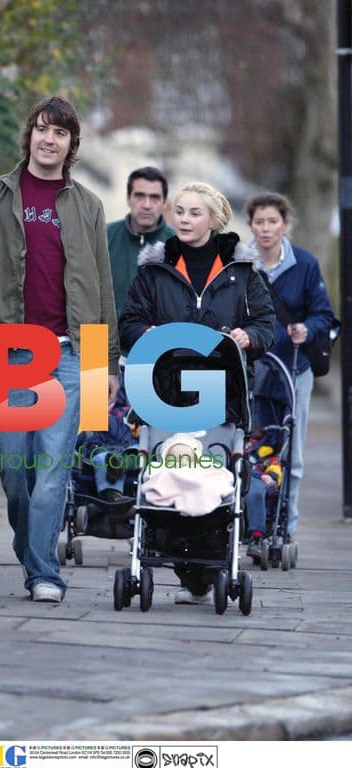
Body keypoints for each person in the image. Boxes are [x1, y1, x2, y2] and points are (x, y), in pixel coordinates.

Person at [0, 96, 120, 603]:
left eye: (61, 133)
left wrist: (106, 364)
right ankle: (34, 552)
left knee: (52, 472)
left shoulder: (88, 205)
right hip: (9, 348)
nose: (50, 140)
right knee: (13, 470)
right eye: (43, 130)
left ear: (71, 145)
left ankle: (44, 572)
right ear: (29, 136)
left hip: (70, 353)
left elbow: (104, 287)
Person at [119, 180, 275, 605]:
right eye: (180, 212)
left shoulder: (242, 272)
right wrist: (143, 331)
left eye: (194, 213)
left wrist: (250, 335)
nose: (184, 220)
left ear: (215, 219)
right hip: (166, 392)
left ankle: (204, 575)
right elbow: (128, 322)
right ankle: (183, 569)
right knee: (169, 474)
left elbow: (266, 324)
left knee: (212, 477)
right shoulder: (154, 269)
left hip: (221, 394)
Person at [245, 192, 334, 542]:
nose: (266, 229)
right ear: (251, 224)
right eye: (259, 221)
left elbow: (324, 314)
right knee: (252, 447)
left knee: (291, 452)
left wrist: (306, 329)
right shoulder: (241, 264)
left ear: (285, 224)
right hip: (253, 372)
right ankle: (250, 522)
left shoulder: (306, 265)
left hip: (294, 370)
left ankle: (286, 528)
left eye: (272, 221)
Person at [107, 166, 175, 318]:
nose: (147, 205)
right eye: (139, 196)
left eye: (155, 197)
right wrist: (93, 342)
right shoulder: (102, 237)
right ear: (128, 198)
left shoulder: (179, 245)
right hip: (102, 337)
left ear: (164, 202)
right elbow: (87, 298)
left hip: (154, 339)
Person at [141, 432, 234, 516]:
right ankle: (188, 496)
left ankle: (196, 495)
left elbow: (219, 472)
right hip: (171, 480)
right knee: (164, 476)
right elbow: (152, 475)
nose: (182, 462)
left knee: (206, 483)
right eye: (175, 459)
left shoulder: (205, 464)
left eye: (187, 458)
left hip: (198, 481)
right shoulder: (161, 467)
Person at [244, 427, 283, 557]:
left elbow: (275, 467)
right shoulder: (229, 442)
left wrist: (271, 476)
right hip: (227, 475)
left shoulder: (265, 452)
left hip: (255, 477)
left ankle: (256, 537)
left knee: (255, 493)